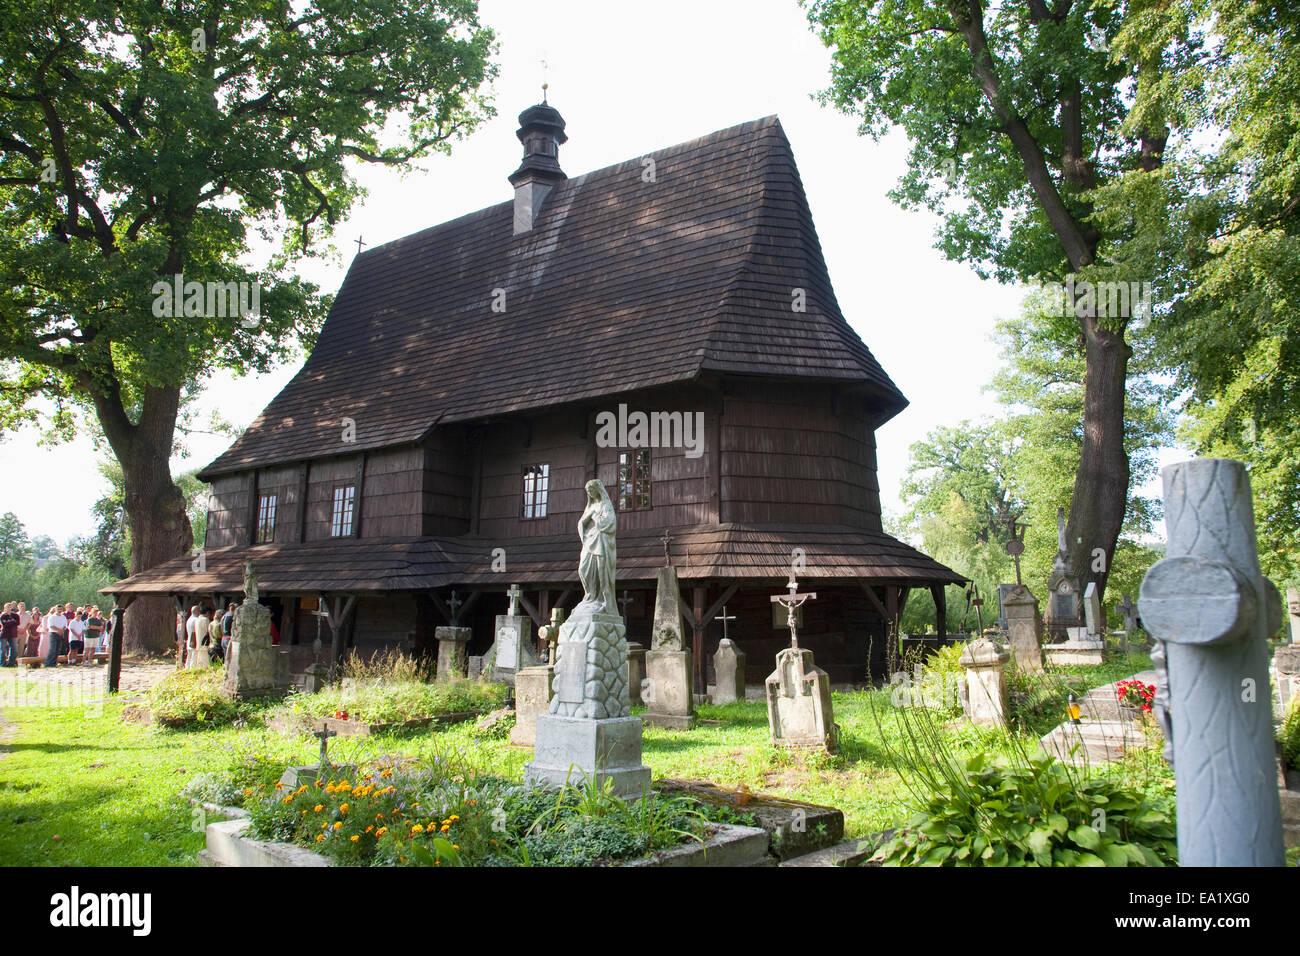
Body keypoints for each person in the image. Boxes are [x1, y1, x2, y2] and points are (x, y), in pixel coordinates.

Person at [0, 602, 19, 667]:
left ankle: (11, 663)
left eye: (10, 606)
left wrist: (9, 622)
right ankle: (2, 664)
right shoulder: (3, 616)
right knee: (3, 650)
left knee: (14, 649)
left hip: (13, 634)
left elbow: (17, 623)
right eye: (7, 607)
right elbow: (5, 624)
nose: (9, 608)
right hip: (4, 634)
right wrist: (12, 621)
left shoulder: (15, 615)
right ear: (5, 608)